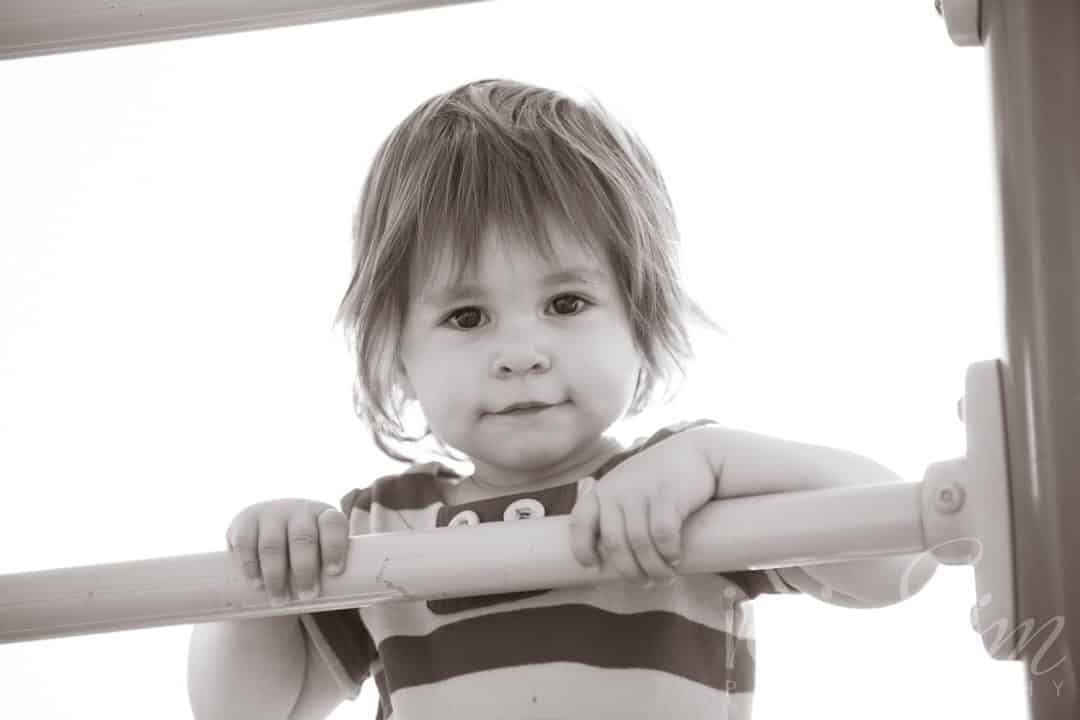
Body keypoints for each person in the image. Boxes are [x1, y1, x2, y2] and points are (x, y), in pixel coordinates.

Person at [187, 78, 936, 720]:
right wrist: (264, 568)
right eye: (467, 317)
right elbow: (243, 706)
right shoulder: (383, 528)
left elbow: (897, 561)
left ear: (639, 322)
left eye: (567, 302)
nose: (521, 353)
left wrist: (713, 456)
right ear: (397, 358)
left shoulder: (681, 490)